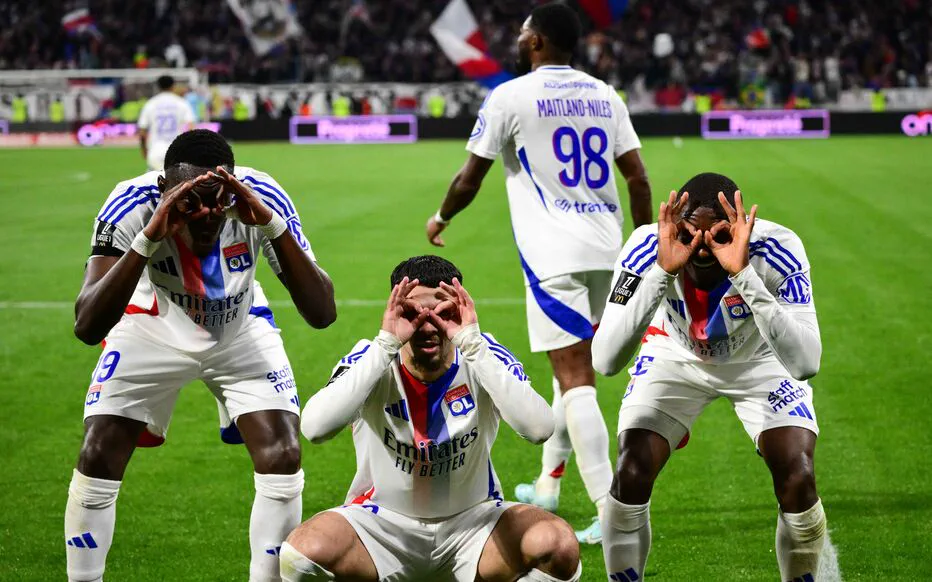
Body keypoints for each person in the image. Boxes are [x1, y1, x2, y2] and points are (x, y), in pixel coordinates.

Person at [424, 2, 652, 544]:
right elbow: (639, 180)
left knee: (576, 379)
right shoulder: (604, 93)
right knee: (568, 369)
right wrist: (646, 246)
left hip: (554, 257)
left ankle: (612, 509)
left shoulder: (510, 95)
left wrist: (441, 217)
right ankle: (548, 485)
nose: (518, 36)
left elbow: (469, 176)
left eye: (524, 31)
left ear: (537, 43)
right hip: (611, 251)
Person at [66, 129, 337, 582]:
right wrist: (148, 238)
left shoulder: (260, 196)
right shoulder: (130, 204)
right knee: (98, 450)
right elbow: (87, 323)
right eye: (190, 200)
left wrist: (270, 224)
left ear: (232, 185)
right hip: (153, 326)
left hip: (240, 328)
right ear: (163, 190)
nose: (208, 213)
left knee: (283, 453)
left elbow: (322, 312)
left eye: (218, 198)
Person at [592, 173, 838, 581]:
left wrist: (743, 273)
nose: (702, 247)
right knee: (631, 470)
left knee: (798, 476)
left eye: (719, 234)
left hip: (760, 358)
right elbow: (604, 361)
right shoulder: (645, 247)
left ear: (742, 224)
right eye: (690, 233)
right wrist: (661, 272)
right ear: (675, 223)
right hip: (675, 353)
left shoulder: (777, 249)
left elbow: (805, 362)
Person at [280, 256, 582, 582]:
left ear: (461, 309)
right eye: (412, 313)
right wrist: (385, 344)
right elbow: (314, 428)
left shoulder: (482, 353)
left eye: (443, 313)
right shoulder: (373, 356)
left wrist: (471, 342)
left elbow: (539, 428)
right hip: (383, 527)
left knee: (557, 545)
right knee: (302, 554)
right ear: (393, 310)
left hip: (473, 527)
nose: (428, 325)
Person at [137, 75, 196, 171]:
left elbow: (142, 132)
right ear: (173, 86)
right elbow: (191, 128)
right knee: (176, 184)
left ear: (158, 87)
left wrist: (144, 150)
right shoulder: (181, 103)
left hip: (155, 151)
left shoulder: (150, 104)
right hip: (176, 152)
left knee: (154, 183)